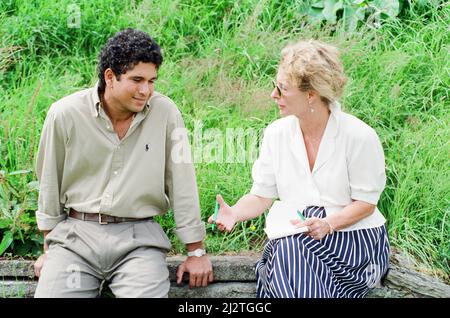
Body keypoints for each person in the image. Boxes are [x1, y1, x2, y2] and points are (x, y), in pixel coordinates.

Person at [33, 28, 213, 298]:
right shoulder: (65, 114)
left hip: (138, 242)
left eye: (152, 81)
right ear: (110, 77)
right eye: (137, 80)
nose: (146, 90)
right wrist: (49, 249)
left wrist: (195, 250)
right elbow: (49, 181)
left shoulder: (165, 113)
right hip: (74, 241)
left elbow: (182, 183)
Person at [209, 40, 390, 298]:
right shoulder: (276, 134)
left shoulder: (359, 136)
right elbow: (261, 195)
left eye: (282, 89)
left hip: (353, 239)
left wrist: (327, 224)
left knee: (290, 252)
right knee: (289, 250)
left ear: (310, 94)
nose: (274, 95)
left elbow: (366, 203)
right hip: (298, 235)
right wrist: (234, 213)